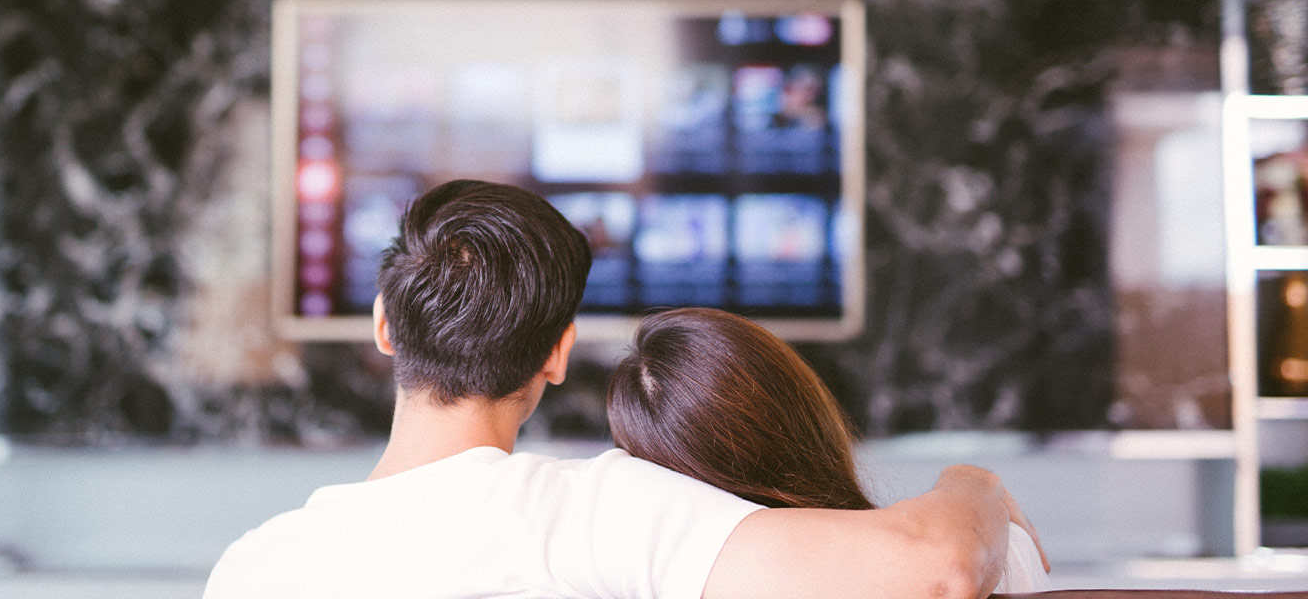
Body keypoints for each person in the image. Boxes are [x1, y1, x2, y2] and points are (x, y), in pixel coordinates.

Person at [205, 179, 1032, 599]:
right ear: (557, 354)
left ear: (384, 325)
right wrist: (975, 481)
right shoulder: (598, 510)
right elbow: (942, 565)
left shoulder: (251, 569)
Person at [606, 307, 1050, 594]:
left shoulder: (627, 578)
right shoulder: (1000, 550)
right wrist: (972, 480)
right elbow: (956, 563)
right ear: (809, 413)